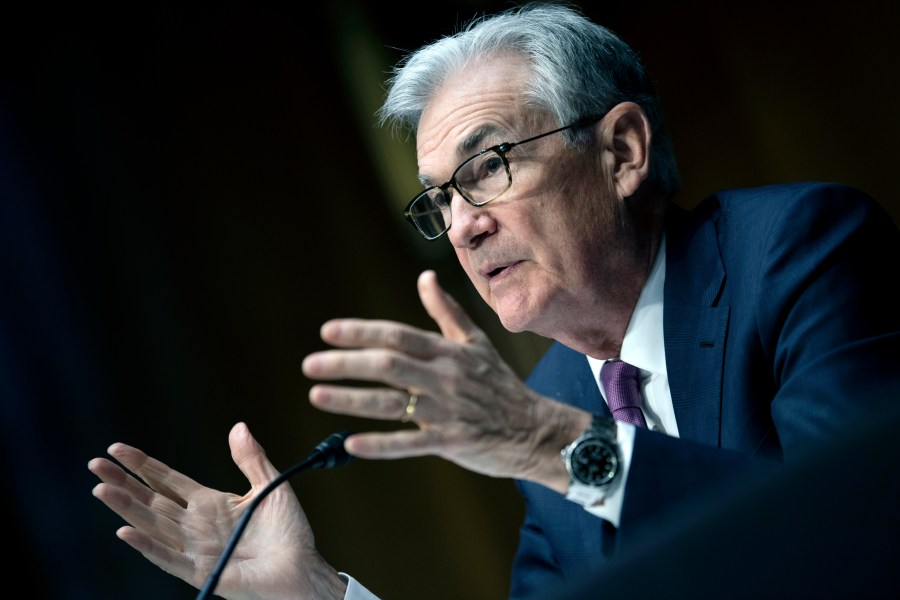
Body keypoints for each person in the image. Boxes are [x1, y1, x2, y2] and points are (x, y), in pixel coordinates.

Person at [87, 2, 900, 599]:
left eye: (488, 167)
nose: (464, 228)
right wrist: (316, 594)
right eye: (439, 200)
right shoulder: (558, 393)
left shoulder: (799, 250)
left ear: (621, 150)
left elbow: (857, 538)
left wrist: (549, 444)